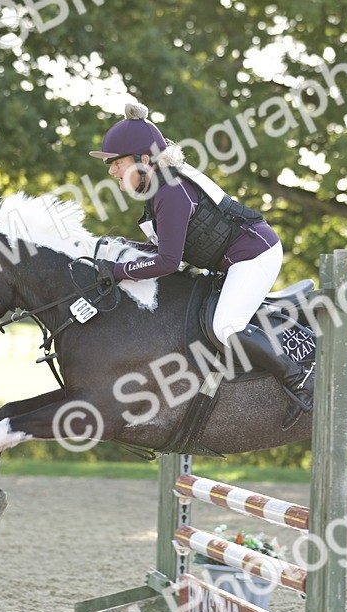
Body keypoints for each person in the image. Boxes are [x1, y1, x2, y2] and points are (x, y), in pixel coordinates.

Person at [88, 102, 314, 412]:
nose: (111, 170)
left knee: (226, 327)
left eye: (117, 162)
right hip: (232, 261)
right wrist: (119, 250)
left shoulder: (171, 191)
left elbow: (168, 263)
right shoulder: (159, 189)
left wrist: (117, 271)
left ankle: (300, 378)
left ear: (144, 160)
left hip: (255, 255)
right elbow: (165, 250)